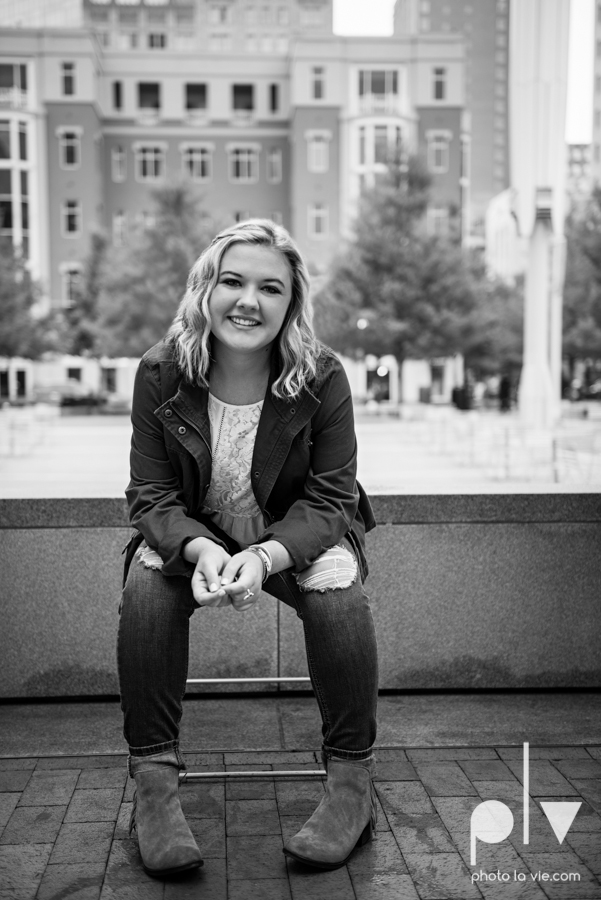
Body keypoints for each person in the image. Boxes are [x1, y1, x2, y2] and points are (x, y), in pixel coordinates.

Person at [117, 219, 379, 879]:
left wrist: (264, 557)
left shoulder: (320, 375)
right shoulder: (160, 371)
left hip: (293, 530)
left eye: (270, 288)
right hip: (195, 529)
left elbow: (330, 498)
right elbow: (149, 495)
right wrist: (203, 551)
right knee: (146, 592)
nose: (248, 301)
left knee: (338, 597)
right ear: (206, 288)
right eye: (232, 281)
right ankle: (153, 787)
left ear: (291, 304)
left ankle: (350, 784)